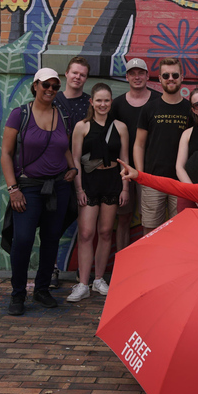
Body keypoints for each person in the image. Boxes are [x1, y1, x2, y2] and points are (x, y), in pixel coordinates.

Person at [0, 68, 78, 316]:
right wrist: (13, 189)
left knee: (51, 239)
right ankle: (18, 294)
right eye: (46, 85)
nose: (51, 90)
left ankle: (42, 289)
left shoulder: (62, 115)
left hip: (58, 187)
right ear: (35, 86)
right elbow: (6, 153)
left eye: (55, 86)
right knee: (22, 240)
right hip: (28, 188)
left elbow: (63, 146)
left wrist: (73, 168)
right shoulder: (19, 114)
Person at [68, 83, 130, 303]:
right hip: (89, 181)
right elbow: (75, 159)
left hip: (112, 181)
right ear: (91, 102)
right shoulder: (82, 127)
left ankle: (99, 279)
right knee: (86, 233)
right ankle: (82, 284)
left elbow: (125, 160)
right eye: (99, 100)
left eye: (106, 100)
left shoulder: (120, 127)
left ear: (111, 102)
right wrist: (79, 188)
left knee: (105, 232)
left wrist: (124, 187)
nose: (103, 104)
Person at [133, 57, 193, 234]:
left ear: (182, 77)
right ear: (159, 79)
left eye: (175, 74)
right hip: (153, 181)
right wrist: (141, 175)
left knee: (180, 231)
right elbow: (139, 144)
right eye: (166, 75)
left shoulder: (190, 109)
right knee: (150, 231)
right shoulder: (149, 109)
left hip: (181, 181)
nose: (170, 78)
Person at [50, 56, 91, 289]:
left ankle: (83, 273)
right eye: (74, 73)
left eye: (82, 74)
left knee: (87, 227)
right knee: (54, 222)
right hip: (56, 171)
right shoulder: (52, 99)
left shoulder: (90, 103)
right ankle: (52, 268)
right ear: (66, 74)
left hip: (85, 171)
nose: (78, 77)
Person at [111, 58, 161, 251]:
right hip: (124, 172)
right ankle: (123, 264)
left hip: (150, 170)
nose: (137, 77)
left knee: (149, 219)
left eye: (141, 73)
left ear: (148, 76)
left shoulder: (158, 100)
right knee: (123, 218)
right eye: (133, 73)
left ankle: (146, 263)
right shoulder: (117, 105)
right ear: (127, 77)